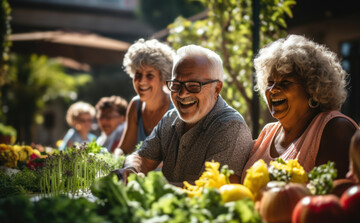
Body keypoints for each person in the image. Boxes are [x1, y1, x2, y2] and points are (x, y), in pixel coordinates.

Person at [113, 44, 254, 185]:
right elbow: (142, 157)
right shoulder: (170, 118)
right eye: (176, 85)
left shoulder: (231, 128)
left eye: (193, 86)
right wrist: (131, 169)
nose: (182, 93)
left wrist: (147, 186)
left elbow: (214, 191)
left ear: (217, 88)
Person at [241, 34, 359, 182]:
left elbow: (338, 196)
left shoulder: (335, 129)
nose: (273, 89)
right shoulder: (267, 133)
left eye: (285, 82)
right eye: (270, 82)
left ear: (312, 89)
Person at [114, 38, 175, 156]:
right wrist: (116, 158)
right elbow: (124, 149)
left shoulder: (175, 108)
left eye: (150, 75)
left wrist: (136, 164)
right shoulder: (135, 105)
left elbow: (173, 158)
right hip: (137, 172)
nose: (142, 81)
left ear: (163, 79)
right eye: (138, 74)